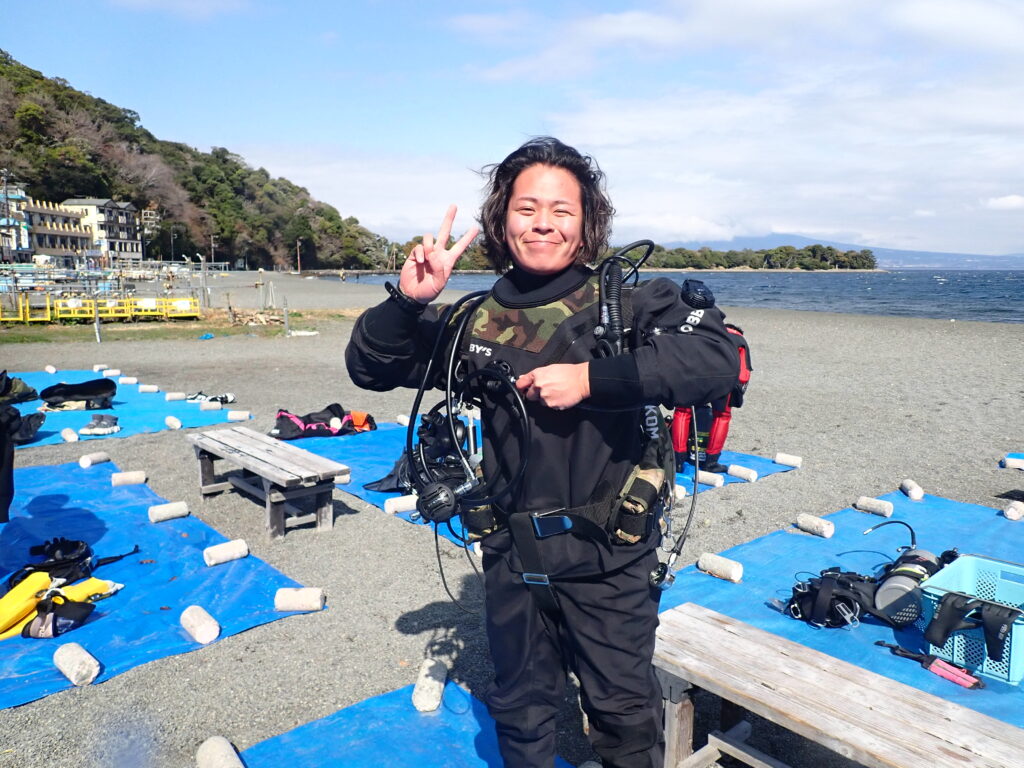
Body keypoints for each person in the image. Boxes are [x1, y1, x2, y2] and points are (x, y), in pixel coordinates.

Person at [345, 137, 740, 768]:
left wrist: (592, 381)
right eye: (527, 208)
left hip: (609, 556)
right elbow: (370, 367)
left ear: (587, 224)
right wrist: (408, 300)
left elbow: (715, 361)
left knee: (622, 712)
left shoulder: (630, 303)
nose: (544, 223)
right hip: (511, 554)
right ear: (504, 218)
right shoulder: (475, 319)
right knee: (522, 709)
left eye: (562, 209)